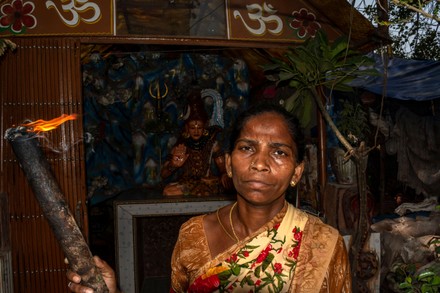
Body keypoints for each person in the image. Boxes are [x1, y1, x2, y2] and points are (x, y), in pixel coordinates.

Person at [67, 102, 351, 292]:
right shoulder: (193, 234)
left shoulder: (324, 243)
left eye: (279, 152)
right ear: (228, 164)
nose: (260, 163)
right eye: (247, 148)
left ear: (297, 172)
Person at [161, 91, 232, 196]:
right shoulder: (181, 146)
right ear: (187, 128)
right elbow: (163, 174)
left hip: (207, 181)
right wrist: (173, 165)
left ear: (204, 128)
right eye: (192, 128)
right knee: (168, 191)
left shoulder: (212, 143)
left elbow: (221, 165)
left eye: (199, 127)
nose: (196, 131)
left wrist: (224, 174)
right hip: (187, 183)